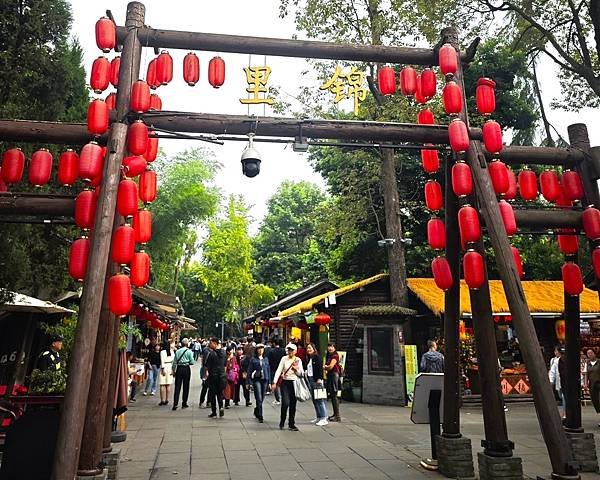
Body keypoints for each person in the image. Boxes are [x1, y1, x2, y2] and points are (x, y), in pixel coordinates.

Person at [272, 343, 303, 431]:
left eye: (291, 350)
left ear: (295, 351)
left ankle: (291, 423)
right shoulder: (284, 359)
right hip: (285, 383)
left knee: (293, 404)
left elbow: (301, 373)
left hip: (294, 382)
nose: (289, 352)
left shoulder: (298, 360)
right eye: (288, 350)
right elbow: (279, 370)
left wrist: (296, 370)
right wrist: (274, 382)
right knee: (285, 403)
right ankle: (282, 421)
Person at [306, 343, 328, 426]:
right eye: (307, 348)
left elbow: (320, 369)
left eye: (310, 348)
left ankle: (324, 417)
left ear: (314, 349)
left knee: (319, 400)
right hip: (311, 380)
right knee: (314, 400)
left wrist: (319, 378)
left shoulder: (317, 357)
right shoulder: (309, 358)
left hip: (317, 380)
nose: (308, 349)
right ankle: (318, 416)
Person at [247, 343, 270, 423]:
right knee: (259, 398)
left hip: (265, 380)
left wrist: (270, 382)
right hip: (257, 380)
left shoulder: (266, 359)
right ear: (256, 350)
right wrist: (248, 382)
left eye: (262, 349)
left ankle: (257, 409)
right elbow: (249, 371)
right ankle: (260, 415)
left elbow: (268, 370)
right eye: (259, 349)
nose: (261, 350)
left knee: (262, 397)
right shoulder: (253, 359)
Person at [205, 337, 226, 418]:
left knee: (212, 394)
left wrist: (206, 372)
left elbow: (207, 366)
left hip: (213, 376)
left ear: (215, 343)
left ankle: (214, 412)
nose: (210, 344)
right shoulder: (224, 353)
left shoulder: (211, 353)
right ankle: (221, 407)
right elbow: (225, 365)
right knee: (220, 393)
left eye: (211, 343)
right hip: (222, 376)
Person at [172, 338, 195, 410]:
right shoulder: (189, 352)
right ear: (187, 344)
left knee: (177, 386)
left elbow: (174, 362)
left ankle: (175, 404)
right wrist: (187, 362)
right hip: (186, 369)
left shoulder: (177, 351)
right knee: (186, 386)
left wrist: (173, 371)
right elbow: (192, 362)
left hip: (179, 369)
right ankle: (184, 403)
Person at [324, 343, 342, 422]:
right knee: (332, 395)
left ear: (334, 347)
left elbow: (331, 366)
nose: (330, 348)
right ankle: (335, 414)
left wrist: (325, 367)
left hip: (334, 376)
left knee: (334, 395)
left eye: (331, 347)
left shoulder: (335, 355)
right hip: (331, 376)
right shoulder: (329, 355)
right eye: (329, 347)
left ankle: (337, 416)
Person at [267, 338, 285, 405]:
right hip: (283, 370)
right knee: (283, 384)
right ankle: (283, 397)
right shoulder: (284, 351)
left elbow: (269, 361)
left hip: (274, 370)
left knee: (275, 384)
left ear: (274, 343)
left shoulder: (272, 351)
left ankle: (278, 399)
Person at [548, 346, 565, 418]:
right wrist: (551, 381)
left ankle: (565, 413)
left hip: (566, 382)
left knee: (565, 397)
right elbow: (552, 371)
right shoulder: (555, 360)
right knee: (561, 396)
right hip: (559, 381)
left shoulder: (569, 359)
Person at [585, 349, 600, 423]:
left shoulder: (599, 362)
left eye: (591, 353)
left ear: (595, 353)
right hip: (592, 385)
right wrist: (585, 384)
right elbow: (586, 374)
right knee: (595, 401)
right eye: (588, 353)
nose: (590, 355)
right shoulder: (587, 363)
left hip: (599, 384)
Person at [158, 341, 175, 406]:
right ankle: (167, 399)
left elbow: (162, 361)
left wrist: (162, 369)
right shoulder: (172, 352)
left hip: (164, 367)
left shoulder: (162, 352)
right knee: (168, 385)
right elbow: (174, 361)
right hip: (170, 367)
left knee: (162, 384)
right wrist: (173, 370)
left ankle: (162, 400)